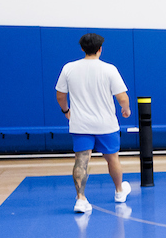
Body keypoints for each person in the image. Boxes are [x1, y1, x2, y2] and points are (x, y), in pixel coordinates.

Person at [54, 33, 132, 213]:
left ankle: (80, 199)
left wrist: (66, 111)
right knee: (112, 158)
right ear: (100, 49)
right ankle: (119, 192)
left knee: (81, 160)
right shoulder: (109, 69)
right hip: (106, 124)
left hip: (80, 124)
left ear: (82, 48)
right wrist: (126, 109)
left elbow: (60, 96)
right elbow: (122, 97)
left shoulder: (68, 68)